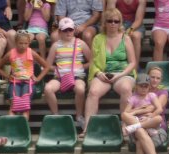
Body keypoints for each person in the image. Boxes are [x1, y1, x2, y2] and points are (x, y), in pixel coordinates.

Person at [83, 8, 137, 136]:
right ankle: (87, 127)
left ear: (120, 23)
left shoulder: (126, 38)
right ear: (104, 23)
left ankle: (125, 125)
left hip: (122, 73)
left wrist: (121, 74)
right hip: (103, 73)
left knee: (125, 88)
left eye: (116, 21)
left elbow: (133, 62)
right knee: (93, 92)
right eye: (110, 21)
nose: (113, 24)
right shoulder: (97, 38)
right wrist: (98, 73)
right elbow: (93, 62)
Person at [44, 17, 91, 128]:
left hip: (77, 76)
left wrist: (82, 67)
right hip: (60, 77)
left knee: (80, 89)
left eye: (70, 29)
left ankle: (79, 115)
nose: (68, 32)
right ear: (59, 32)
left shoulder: (81, 43)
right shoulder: (56, 45)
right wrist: (56, 70)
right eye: (65, 30)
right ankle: (55, 115)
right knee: (48, 88)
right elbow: (47, 64)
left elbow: (92, 61)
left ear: (74, 30)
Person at [0, 29, 51, 119]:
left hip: (28, 82)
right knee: (13, 105)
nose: (23, 46)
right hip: (15, 82)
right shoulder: (10, 53)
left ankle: (23, 129)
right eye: (20, 43)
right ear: (16, 43)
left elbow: (46, 66)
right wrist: (7, 76)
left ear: (29, 43)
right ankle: (12, 128)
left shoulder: (31, 52)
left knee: (25, 106)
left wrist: (38, 78)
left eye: (26, 43)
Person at [122, 74, 166, 154]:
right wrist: (139, 110)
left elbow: (159, 109)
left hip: (150, 123)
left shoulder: (151, 95)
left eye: (146, 86)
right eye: (141, 86)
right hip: (137, 121)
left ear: (149, 86)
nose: (143, 88)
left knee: (158, 118)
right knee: (126, 118)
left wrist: (151, 115)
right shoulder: (133, 98)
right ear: (136, 86)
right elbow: (126, 113)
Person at [108, 0, 147, 66]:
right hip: (118, 23)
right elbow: (110, 16)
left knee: (136, 36)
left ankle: (135, 67)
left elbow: (139, 20)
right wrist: (120, 27)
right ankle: (117, 65)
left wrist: (130, 30)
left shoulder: (141, 1)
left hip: (135, 25)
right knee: (116, 35)